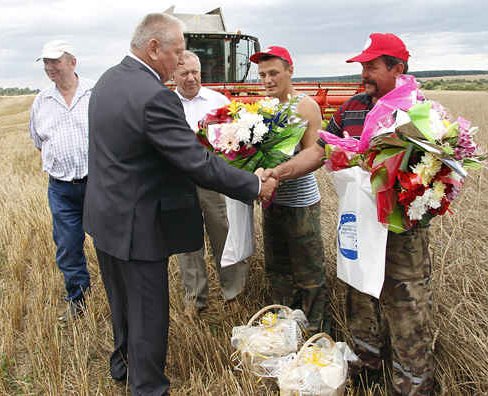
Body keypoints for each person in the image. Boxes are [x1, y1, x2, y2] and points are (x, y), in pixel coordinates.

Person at [83, 13, 277, 396]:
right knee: (148, 313)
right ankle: (149, 387)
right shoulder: (155, 96)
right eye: (176, 53)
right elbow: (196, 162)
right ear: (153, 48)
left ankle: (122, 366)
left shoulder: (108, 79)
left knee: (121, 303)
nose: (179, 62)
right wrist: (253, 184)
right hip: (137, 227)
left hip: (105, 218)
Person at [261, 34, 434, 396]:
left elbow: (433, 176)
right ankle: (364, 371)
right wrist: (279, 172)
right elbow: (319, 151)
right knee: (358, 299)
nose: (364, 74)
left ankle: (412, 386)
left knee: (406, 311)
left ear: (397, 69)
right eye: (362, 67)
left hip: (401, 236)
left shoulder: (419, 112)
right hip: (357, 226)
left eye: (372, 67)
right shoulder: (352, 107)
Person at [250, 46, 331, 335]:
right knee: (277, 269)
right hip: (272, 202)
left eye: (273, 73)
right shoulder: (261, 108)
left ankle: (316, 333)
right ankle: (285, 330)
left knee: (309, 272)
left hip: (301, 205)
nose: (267, 80)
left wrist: (276, 175)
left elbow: (314, 157)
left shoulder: (305, 106)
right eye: (262, 75)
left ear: (290, 72)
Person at [173, 50, 248, 317]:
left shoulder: (219, 102)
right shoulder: (165, 103)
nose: (191, 78)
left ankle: (234, 293)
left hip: (214, 181)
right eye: (184, 73)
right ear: (173, 74)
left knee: (224, 235)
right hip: (179, 182)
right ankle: (195, 300)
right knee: (187, 242)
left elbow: (238, 140)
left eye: (195, 72)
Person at [29, 40, 95, 321]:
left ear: (72, 62)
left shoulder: (96, 93)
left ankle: (121, 295)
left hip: (97, 185)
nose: (49, 67)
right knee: (68, 246)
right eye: (46, 62)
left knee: (109, 243)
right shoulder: (41, 101)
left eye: (55, 61)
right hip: (61, 188)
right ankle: (78, 300)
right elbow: (39, 142)